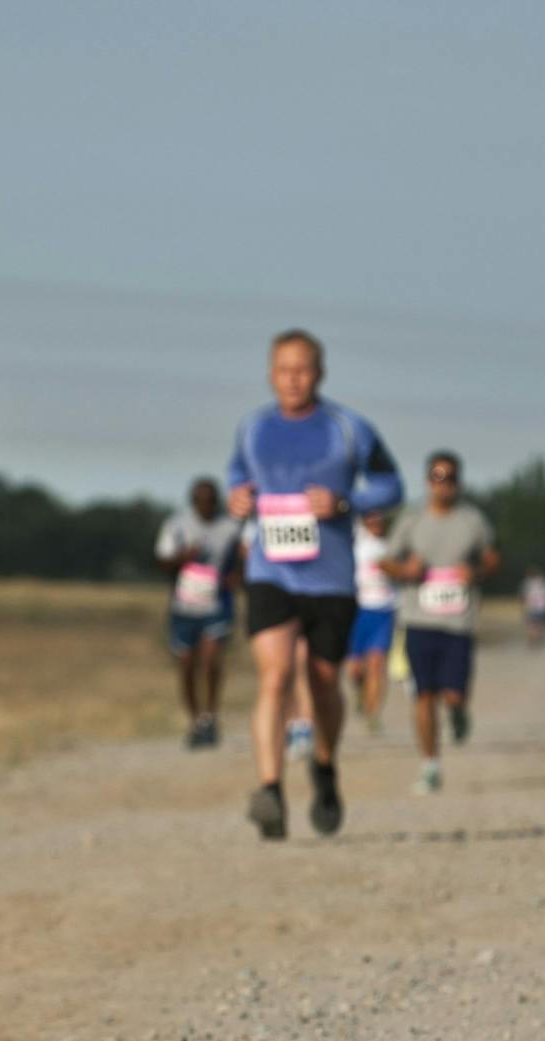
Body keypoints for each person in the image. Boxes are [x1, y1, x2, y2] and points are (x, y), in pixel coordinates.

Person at [227, 329, 403, 839]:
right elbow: (236, 478)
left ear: (319, 374)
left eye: (302, 369)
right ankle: (271, 790)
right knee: (275, 677)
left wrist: (347, 503)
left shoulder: (349, 429)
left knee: (324, 683)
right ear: (269, 373)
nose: (293, 379)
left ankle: (324, 769)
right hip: (271, 572)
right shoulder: (253, 428)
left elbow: (391, 485)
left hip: (330, 579)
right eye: (283, 369)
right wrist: (237, 498)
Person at [382, 452, 499, 795]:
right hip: (418, 619)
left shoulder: (472, 521)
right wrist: (405, 571)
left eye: (449, 477)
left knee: (452, 694)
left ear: (458, 482)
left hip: (458, 623)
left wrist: (476, 572)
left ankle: (459, 711)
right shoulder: (412, 519)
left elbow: (493, 557)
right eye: (436, 476)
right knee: (423, 695)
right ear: (427, 480)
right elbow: (385, 561)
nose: (443, 484)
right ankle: (430, 765)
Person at [154, 477, 243, 747]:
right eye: (201, 501)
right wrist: (183, 557)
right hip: (183, 608)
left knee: (211, 661)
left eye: (211, 500)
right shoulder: (176, 525)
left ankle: (210, 716)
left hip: (216, 607)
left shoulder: (230, 527)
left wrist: (237, 577)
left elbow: (245, 558)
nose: (206, 505)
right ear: (193, 502)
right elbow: (161, 561)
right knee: (187, 667)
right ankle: (195, 720)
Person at [346, 511, 399, 731]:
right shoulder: (355, 543)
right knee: (355, 669)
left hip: (384, 610)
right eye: (371, 517)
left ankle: (373, 714)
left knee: (377, 664)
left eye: (380, 517)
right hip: (357, 610)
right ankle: (361, 691)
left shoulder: (392, 545)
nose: (376, 522)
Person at [521, 566, 545, 649]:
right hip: (543, 608)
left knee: (532, 625)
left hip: (532, 608)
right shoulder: (544, 585)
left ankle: (532, 639)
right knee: (541, 624)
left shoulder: (527, 585)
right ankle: (539, 638)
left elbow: (525, 598)